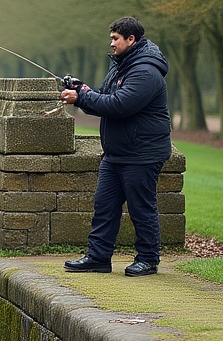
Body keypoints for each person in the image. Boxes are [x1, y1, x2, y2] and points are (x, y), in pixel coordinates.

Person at [61, 16, 172, 277]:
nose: (111, 43)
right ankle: (98, 258)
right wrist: (83, 90)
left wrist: (81, 97)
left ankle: (148, 259)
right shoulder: (123, 65)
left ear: (130, 39)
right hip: (117, 153)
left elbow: (119, 105)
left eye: (115, 39)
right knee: (104, 205)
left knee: (141, 208)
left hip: (142, 153)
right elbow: (105, 95)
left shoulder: (145, 71)